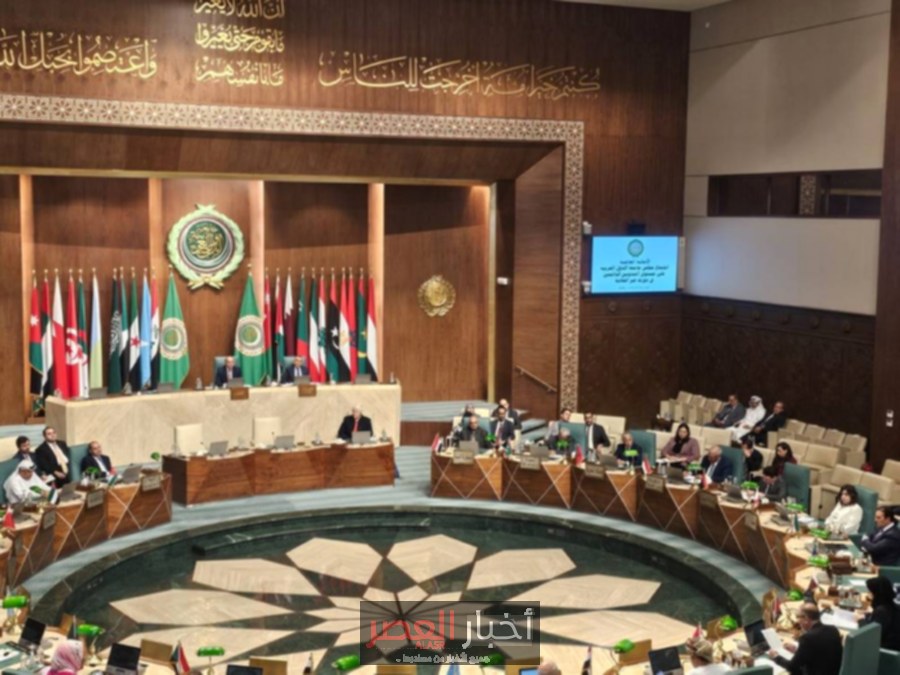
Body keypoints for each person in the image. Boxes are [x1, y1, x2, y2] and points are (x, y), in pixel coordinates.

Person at [770, 603, 842, 675]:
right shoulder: (833, 630)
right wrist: (797, 650)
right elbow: (819, 654)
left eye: (798, 617)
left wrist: (776, 657)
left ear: (806, 618)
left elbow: (792, 666)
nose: (797, 621)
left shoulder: (807, 638)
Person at [860, 576, 900, 650]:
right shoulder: (892, 606)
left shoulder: (882, 611)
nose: (868, 595)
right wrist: (867, 615)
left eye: (870, 592)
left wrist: (860, 620)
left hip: (884, 651)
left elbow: (871, 635)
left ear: (877, 593)